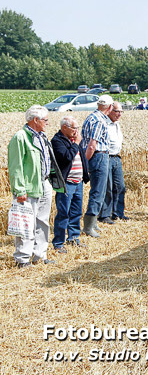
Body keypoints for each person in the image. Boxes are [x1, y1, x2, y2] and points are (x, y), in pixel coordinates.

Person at [8, 105, 65, 267]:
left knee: (42, 221)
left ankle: (39, 255)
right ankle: (23, 258)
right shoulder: (20, 138)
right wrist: (19, 189)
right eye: (45, 120)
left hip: (44, 183)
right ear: (35, 120)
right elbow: (15, 166)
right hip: (28, 186)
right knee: (26, 222)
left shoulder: (42, 137)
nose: (47, 123)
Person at [51, 115, 89, 252]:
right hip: (66, 183)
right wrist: (76, 144)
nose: (76, 131)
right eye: (74, 128)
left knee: (76, 212)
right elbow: (66, 157)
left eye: (77, 128)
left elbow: (82, 157)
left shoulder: (74, 140)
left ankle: (73, 238)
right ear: (64, 128)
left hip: (78, 182)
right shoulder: (57, 141)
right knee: (63, 213)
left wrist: (86, 174)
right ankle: (59, 243)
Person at [81, 95, 113, 238]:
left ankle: (92, 223)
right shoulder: (100, 121)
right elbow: (92, 145)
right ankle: (89, 226)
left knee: (97, 190)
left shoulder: (91, 117)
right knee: (98, 191)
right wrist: (85, 162)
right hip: (99, 156)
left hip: (96, 156)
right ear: (110, 107)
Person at [100, 101, 128, 224]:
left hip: (117, 157)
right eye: (117, 111)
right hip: (107, 156)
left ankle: (118, 213)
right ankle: (105, 215)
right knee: (108, 187)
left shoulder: (117, 124)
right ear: (110, 110)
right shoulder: (104, 124)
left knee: (120, 186)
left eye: (121, 111)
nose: (119, 114)